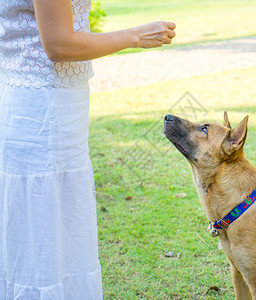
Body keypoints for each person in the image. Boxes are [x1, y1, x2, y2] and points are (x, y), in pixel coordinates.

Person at [0, 0, 176, 299]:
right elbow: (58, 44)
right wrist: (136, 35)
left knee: (60, 226)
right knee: (40, 229)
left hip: (51, 99)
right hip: (42, 107)